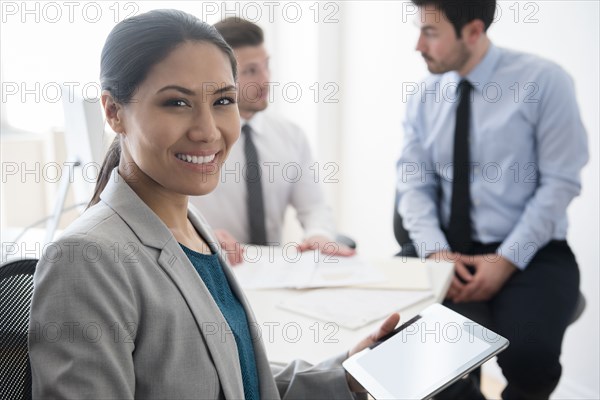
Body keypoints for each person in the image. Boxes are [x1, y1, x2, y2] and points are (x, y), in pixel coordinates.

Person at [27, 9, 398, 399]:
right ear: (114, 112)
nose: (208, 131)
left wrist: (345, 374)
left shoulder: (194, 226)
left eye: (223, 100)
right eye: (177, 103)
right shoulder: (86, 260)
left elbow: (235, 375)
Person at [396, 0, 588, 399]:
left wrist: (506, 261)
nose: (418, 45)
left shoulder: (544, 82)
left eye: (430, 33)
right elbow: (414, 185)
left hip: (532, 252)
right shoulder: (424, 96)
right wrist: (435, 253)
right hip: (448, 251)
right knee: (406, 353)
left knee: (531, 359)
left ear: (474, 31)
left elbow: (559, 183)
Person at [190, 17, 354, 265]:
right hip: (211, 266)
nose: (266, 79)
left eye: (267, 66)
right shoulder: (196, 141)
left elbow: (314, 207)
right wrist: (198, 236)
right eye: (251, 71)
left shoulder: (290, 135)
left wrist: (318, 235)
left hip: (273, 272)